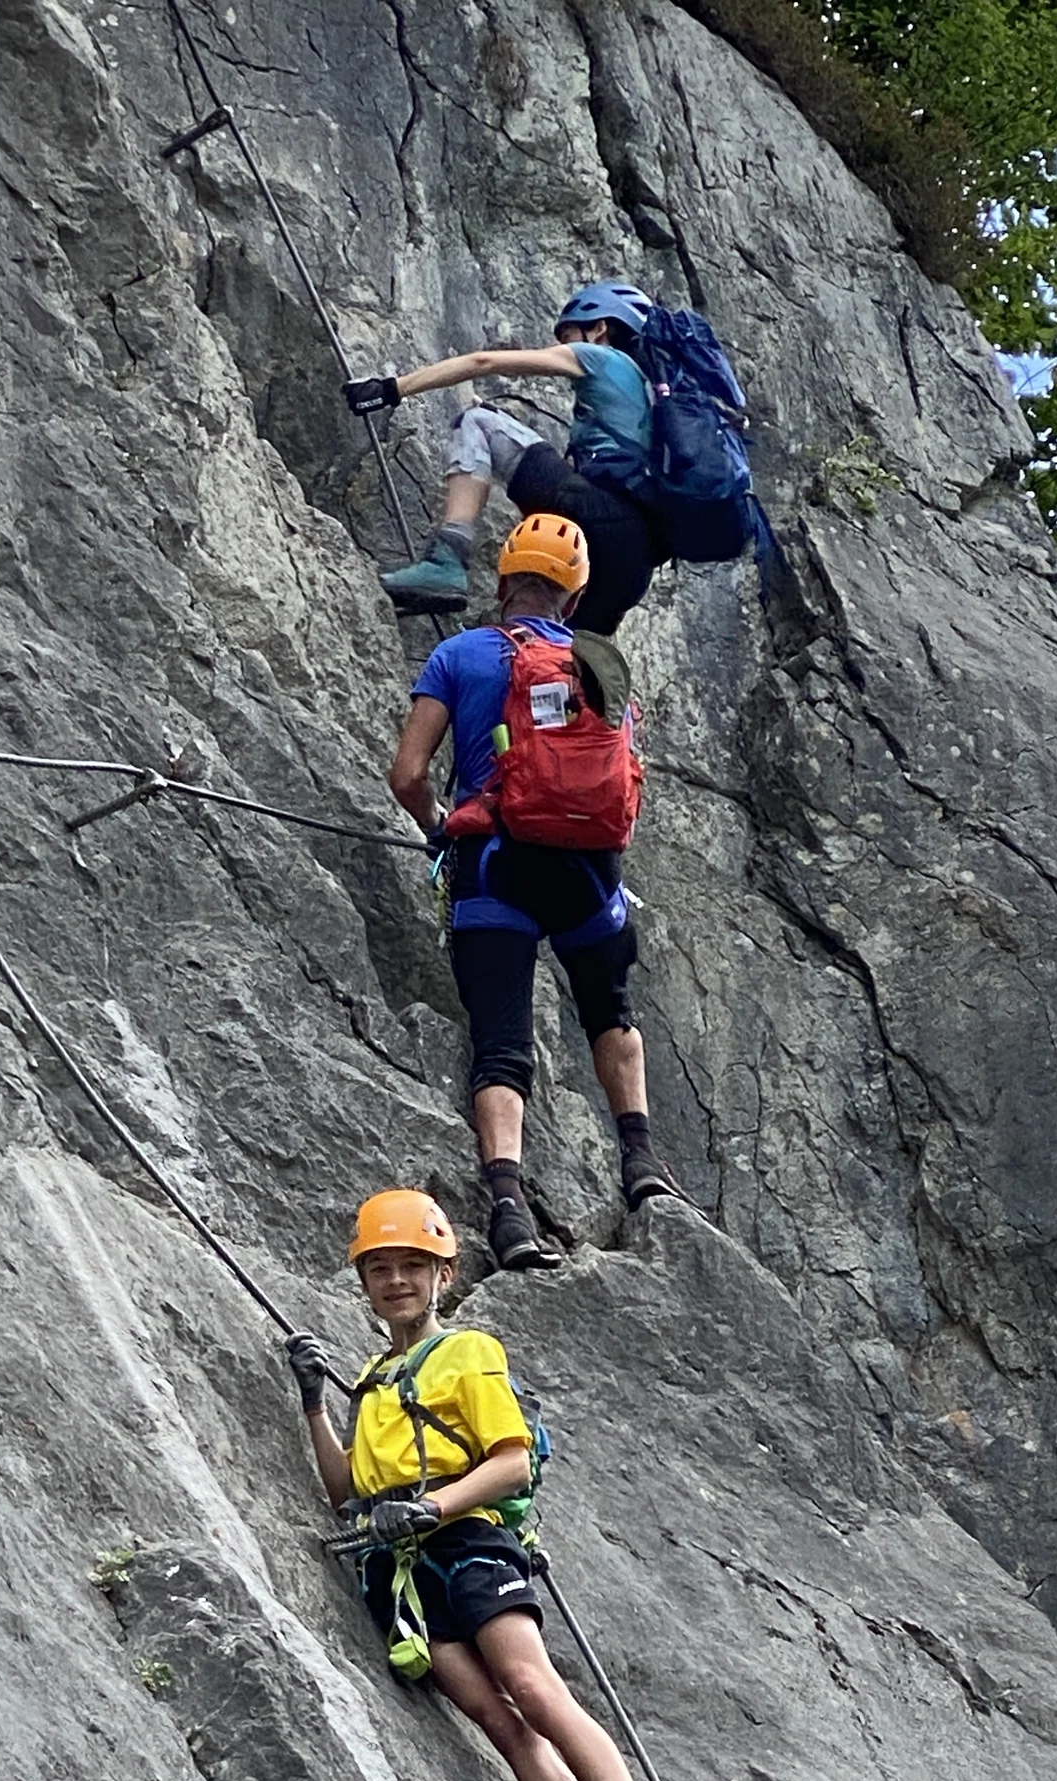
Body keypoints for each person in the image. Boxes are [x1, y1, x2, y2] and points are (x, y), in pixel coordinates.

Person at [285, 1189, 702, 1781]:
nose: (396, 1282)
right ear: (364, 1283)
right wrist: (318, 1402)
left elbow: (509, 1462)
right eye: (379, 1269)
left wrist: (434, 1506)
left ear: (444, 1274)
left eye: (413, 1265)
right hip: (402, 1571)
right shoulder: (374, 1381)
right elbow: (345, 1491)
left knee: (529, 1683)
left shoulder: (468, 1352)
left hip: (467, 1539)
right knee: (494, 1716)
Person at [388, 511, 678, 1264]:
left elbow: (409, 775)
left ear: (501, 580)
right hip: (588, 872)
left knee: (502, 1044)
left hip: (493, 865)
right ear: (573, 602)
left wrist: (443, 826)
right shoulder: (602, 666)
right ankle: (642, 1162)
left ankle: (510, 1208)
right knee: (611, 1013)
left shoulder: (460, 655)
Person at [343, 281, 669, 631]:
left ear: (599, 327)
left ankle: (446, 562)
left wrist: (391, 389)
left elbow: (484, 361)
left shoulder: (600, 356)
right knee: (553, 652)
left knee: (479, 423)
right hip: (631, 569)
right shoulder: (654, 394)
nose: (562, 346)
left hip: (596, 520)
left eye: (569, 335)